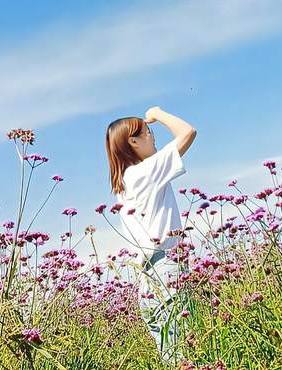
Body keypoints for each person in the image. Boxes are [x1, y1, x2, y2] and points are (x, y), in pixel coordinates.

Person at [105, 106, 197, 365]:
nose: (153, 137)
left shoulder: (124, 181)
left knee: (169, 354)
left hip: (148, 277)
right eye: (148, 132)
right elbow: (187, 132)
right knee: (182, 352)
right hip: (166, 266)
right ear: (133, 142)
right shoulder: (143, 172)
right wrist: (157, 113)